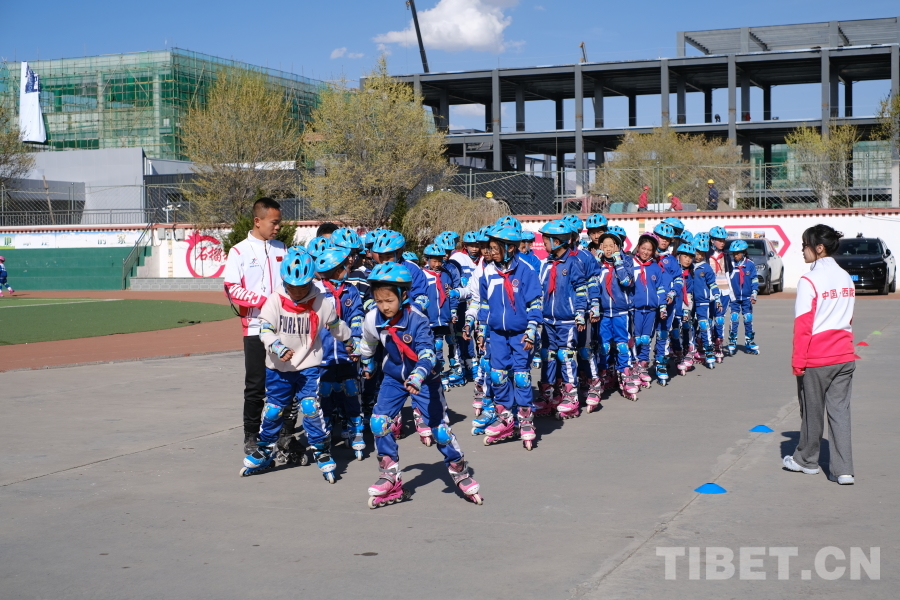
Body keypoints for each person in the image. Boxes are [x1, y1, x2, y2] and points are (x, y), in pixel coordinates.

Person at [359, 262, 483, 507]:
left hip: (425, 379)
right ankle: (389, 475)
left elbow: (427, 353)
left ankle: (459, 470)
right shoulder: (373, 318)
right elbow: (368, 341)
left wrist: (418, 375)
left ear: (403, 295)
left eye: (389, 300)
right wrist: (367, 363)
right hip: (394, 378)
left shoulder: (418, 319)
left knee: (439, 430)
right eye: (379, 301)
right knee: (379, 422)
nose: (384, 306)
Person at [241, 247, 352, 479]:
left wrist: (350, 340)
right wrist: (277, 346)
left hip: (308, 365)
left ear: (311, 281)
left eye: (303, 286)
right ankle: (265, 448)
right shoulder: (276, 300)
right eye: (293, 286)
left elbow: (335, 325)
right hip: (278, 368)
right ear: (284, 281)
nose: (299, 291)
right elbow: (265, 330)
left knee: (310, 407)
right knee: (274, 409)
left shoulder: (320, 301)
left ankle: (321, 449)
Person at [784, 224, 858, 485]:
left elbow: (803, 325)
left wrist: (798, 362)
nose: (802, 250)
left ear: (819, 248)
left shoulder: (809, 280)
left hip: (817, 358)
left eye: (805, 245)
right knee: (840, 412)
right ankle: (844, 470)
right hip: (845, 355)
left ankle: (806, 460)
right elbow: (848, 317)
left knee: (811, 411)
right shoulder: (846, 278)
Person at [223, 198, 288, 454]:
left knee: (284, 383)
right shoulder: (239, 251)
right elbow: (232, 289)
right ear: (257, 221)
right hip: (254, 328)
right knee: (255, 386)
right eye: (274, 222)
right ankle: (251, 436)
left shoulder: (283, 248)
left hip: (283, 328)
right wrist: (264, 301)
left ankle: (284, 433)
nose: (278, 227)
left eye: (280, 222)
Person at [471, 225, 543, 450]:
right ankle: (505, 416)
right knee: (498, 375)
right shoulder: (488, 272)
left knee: (521, 376)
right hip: (497, 334)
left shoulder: (526, 271)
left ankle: (525, 418)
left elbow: (535, 303)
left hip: (521, 334)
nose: (490, 252)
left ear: (510, 248)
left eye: (495, 248)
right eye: (489, 248)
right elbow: (484, 304)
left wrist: (532, 330)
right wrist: (482, 330)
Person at [314, 246, 367, 461]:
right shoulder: (316, 291)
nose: (348, 268)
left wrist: (356, 340)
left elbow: (356, 315)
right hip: (323, 354)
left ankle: (355, 427)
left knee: (351, 390)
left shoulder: (350, 290)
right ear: (336, 270)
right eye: (345, 266)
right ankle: (325, 429)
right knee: (325, 392)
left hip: (346, 353)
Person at [537, 220, 589, 418]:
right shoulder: (546, 264)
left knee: (565, 355)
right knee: (547, 355)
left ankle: (571, 395)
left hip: (567, 319)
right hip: (548, 319)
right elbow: (540, 290)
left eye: (546, 241)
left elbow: (581, 290)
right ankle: (548, 394)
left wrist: (580, 313)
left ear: (557, 241)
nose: (543, 244)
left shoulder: (573, 263)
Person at [597, 229, 638, 400]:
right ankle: (602, 376)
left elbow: (627, 282)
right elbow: (589, 282)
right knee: (604, 346)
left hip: (621, 311)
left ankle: (625, 375)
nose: (608, 249)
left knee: (622, 345)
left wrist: (618, 262)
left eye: (611, 245)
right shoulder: (597, 264)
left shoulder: (626, 261)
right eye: (604, 245)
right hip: (603, 313)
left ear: (618, 247)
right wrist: (596, 261)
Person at [630, 234, 667, 389]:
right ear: (638, 248)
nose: (645, 252)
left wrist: (662, 306)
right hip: (635, 309)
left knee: (646, 339)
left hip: (651, 309)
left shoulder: (655, 268)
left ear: (653, 252)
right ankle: (633, 366)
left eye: (649, 250)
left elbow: (660, 288)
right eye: (643, 248)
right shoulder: (631, 264)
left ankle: (643, 366)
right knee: (635, 339)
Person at [690, 233, 722, 370]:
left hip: (703, 300)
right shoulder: (689, 265)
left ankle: (708, 350)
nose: (699, 256)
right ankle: (690, 349)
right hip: (689, 300)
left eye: (702, 253)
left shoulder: (706, 267)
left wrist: (717, 298)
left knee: (704, 324)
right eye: (697, 253)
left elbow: (713, 284)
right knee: (689, 325)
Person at [726, 240, 759, 356]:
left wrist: (754, 293)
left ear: (743, 252)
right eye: (734, 253)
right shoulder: (730, 264)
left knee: (748, 318)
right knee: (734, 317)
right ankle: (732, 339)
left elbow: (754, 279)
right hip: (734, 297)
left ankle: (749, 341)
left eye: (737, 253)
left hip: (747, 297)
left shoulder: (750, 264)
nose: (735, 255)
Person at [707, 226, 732, 363]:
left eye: (724, 240)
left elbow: (729, 273)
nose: (722, 243)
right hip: (711, 291)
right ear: (712, 240)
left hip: (724, 291)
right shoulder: (706, 254)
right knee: (709, 319)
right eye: (720, 240)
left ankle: (718, 344)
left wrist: (731, 292)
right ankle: (708, 344)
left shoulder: (726, 256)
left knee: (720, 319)